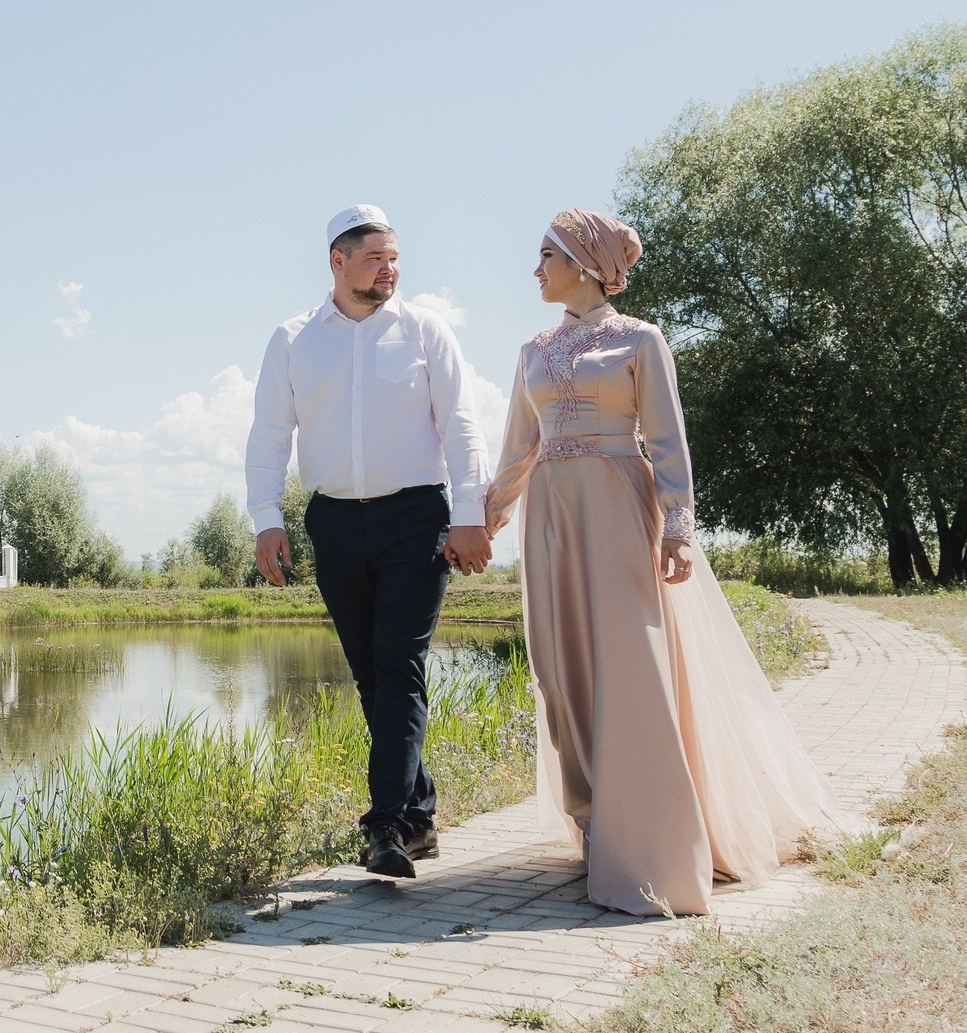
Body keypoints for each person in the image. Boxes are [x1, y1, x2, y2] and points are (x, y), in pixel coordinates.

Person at [484, 208, 835, 916]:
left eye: (547, 254)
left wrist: (679, 525)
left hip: (619, 508)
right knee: (559, 671)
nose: (536, 268)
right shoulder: (530, 351)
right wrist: (479, 519)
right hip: (552, 518)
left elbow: (669, 441)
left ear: (585, 262)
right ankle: (594, 815)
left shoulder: (641, 341)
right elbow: (517, 448)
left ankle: (652, 846)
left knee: (631, 668)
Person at [246, 205, 493, 878]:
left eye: (395, 257)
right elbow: (271, 434)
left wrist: (471, 513)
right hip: (334, 522)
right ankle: (417, 817)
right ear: (338, 261)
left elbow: (463, 425)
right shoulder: (295, 338)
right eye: (377, 257)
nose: (391, 269)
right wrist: (268, 517)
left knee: (399, 663)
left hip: (417, 517)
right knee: (372, 674)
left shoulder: (424, 329)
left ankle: (383, 824)